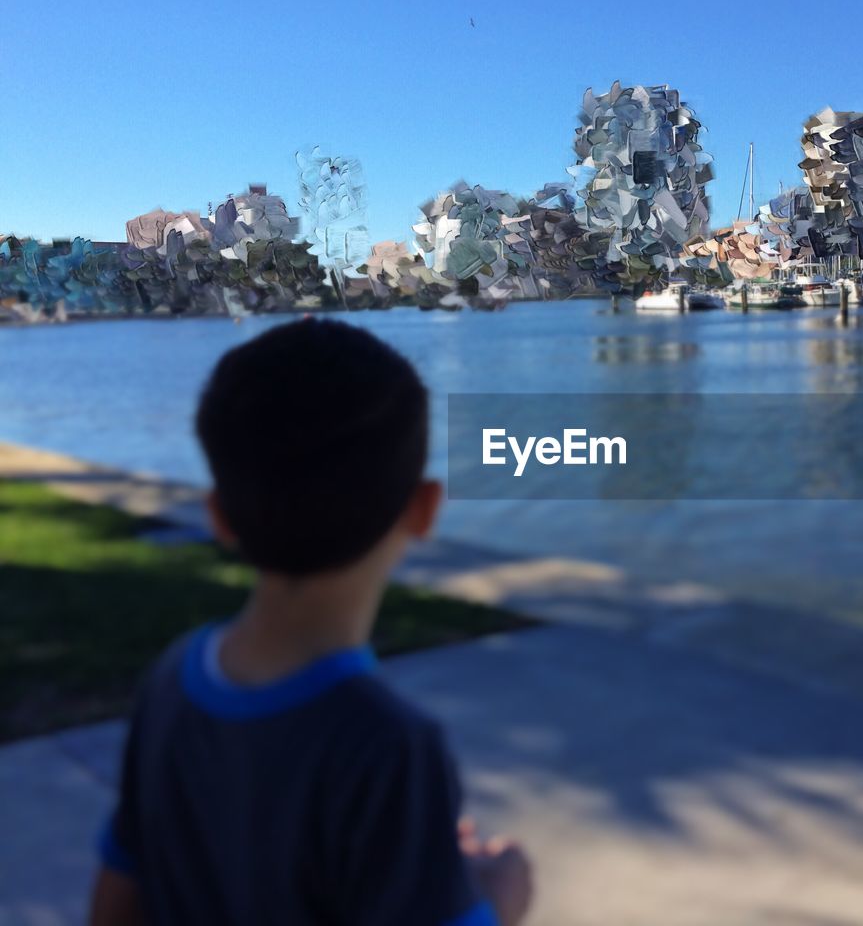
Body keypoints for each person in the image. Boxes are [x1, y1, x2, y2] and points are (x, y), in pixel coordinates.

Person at [89, 319, 533, 926]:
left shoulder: (171, 679)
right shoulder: (389, 748)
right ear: (424, 510)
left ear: (220, 516)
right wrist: (500, 896)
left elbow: (117, 900)